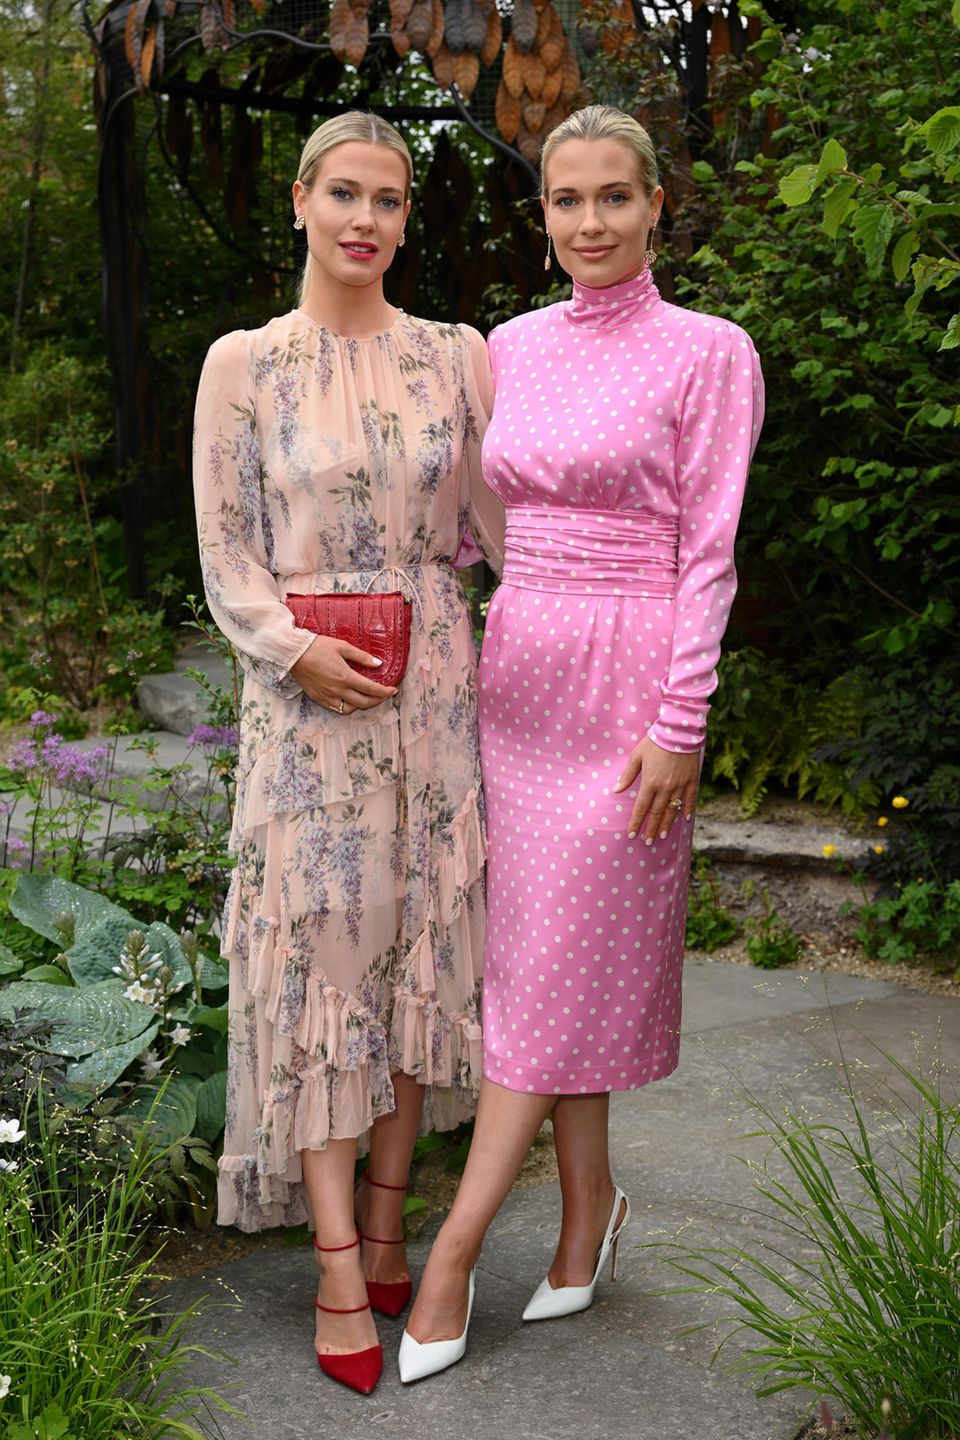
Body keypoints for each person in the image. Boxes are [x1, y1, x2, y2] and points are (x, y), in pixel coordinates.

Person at [399, 103, 764, 1382]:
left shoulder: (710, 352)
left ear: (656, 204)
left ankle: (452, 1253)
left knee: (551, 977)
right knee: (547, 964)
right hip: (521, 676)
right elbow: (488, 520)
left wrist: (681, 721)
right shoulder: (512, 345)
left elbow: (710, 553)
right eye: (569, 200)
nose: (591, 221)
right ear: (543, 213)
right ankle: (586, 1214)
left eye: (616, 196)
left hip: (629, 693)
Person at [193, 110, 504, 1396]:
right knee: (322, 963)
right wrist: (291, 648)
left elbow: (504, 522)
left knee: (415, 952)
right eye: (345, 195)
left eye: (389, 200)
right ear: (303, 204)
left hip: (435, 697)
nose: (366, 220)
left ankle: (390, 1224)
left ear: (404, 220)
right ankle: (335, 1263)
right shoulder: (245, 364)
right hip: (307, 708)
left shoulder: (457, 356)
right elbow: (224, 551)